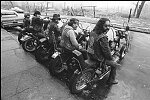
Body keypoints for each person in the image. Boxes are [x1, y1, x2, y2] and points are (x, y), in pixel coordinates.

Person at [87, 18, 121, 85]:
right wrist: (111, 58)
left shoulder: (93, 32)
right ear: (100, 25)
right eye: (106, 26)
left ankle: (102, 69)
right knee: (114, 64)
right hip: (98, 58)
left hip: (90, 54)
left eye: (109, 26)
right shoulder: (103, 37)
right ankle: (111, 80)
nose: (108, 28)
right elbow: (106, 52)